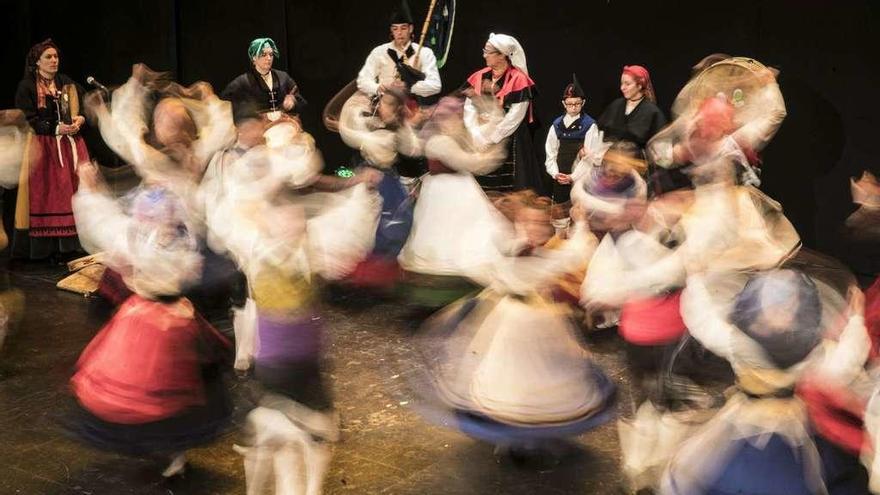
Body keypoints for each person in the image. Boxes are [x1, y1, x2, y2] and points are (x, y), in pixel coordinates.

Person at [68, 162, 232, 478]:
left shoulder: (184, 244)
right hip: (144, 319)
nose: (162, 224)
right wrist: (90, 188)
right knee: (143, 389)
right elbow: (105, 224)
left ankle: (177, 451)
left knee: (179, 390)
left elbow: (189, 268)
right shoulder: (137, 239)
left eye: (167, 218)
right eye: (155, 218)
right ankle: (163, 446)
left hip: (173, 320)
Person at [13, 39, 90, 261]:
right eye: (48, 57)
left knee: (72, 192)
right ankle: (46, 250)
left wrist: (80, 118)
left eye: (56, 56)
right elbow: (26, 118)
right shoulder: (26, 86)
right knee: (48, 194)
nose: (54, 60)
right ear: (37, 61)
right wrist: (55, 127)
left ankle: (71, 247)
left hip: (69, 146)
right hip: (44, 148)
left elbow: (83, 103)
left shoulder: (65, 82)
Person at [464, 33, 543, 194]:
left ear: (501, 55)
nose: (484, 55)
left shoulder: (518, 79)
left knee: (508, 188)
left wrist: (493, 138)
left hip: (510, 139)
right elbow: (469, 107)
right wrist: (476, 134)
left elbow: (515, 116)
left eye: (488, 52)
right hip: (479, 138)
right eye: (484, 50)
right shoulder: (479, 76)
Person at [356, 0, 442, 105]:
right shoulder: (379, 52)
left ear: (411, 29)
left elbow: (435, 85)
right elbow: (362, 80)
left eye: (403, 28)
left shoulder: (424, 53)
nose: (399, 33)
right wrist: (378, 87)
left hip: (411, 106)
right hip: (383, 103)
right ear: (391, 31)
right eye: (395, 29)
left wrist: (409, 87)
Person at [544, 73, 601, 230]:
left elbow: (590, 156)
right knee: (561, 213)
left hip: (579, 176)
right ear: (564, 103)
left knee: (579, 212)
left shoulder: (589, 125)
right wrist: (555, 173)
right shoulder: (556, 125)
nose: (574, 107)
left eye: (577, 103)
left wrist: (573, 177)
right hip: (561, 176)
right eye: (570, 104)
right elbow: (550, 153)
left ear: (583, 103)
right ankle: (559, 237)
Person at [221, 38, 306, 123]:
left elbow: (300, 100)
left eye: (271, 54)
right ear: (254, 57)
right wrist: (248, 112)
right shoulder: (243, 81)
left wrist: (293, 100)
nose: (269, 58)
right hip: (257, 129)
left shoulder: (283, 77)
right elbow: (225, 101)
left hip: (282, 124)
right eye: (263, 55)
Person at [596, 65, 666, 153]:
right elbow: (599, 131)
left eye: (627, 84)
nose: (622, 88)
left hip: (636, 163)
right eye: (622, 83)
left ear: (639, 86)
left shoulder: (652, 112)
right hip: (610, 161)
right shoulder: (616, 105)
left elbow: (659, 148)